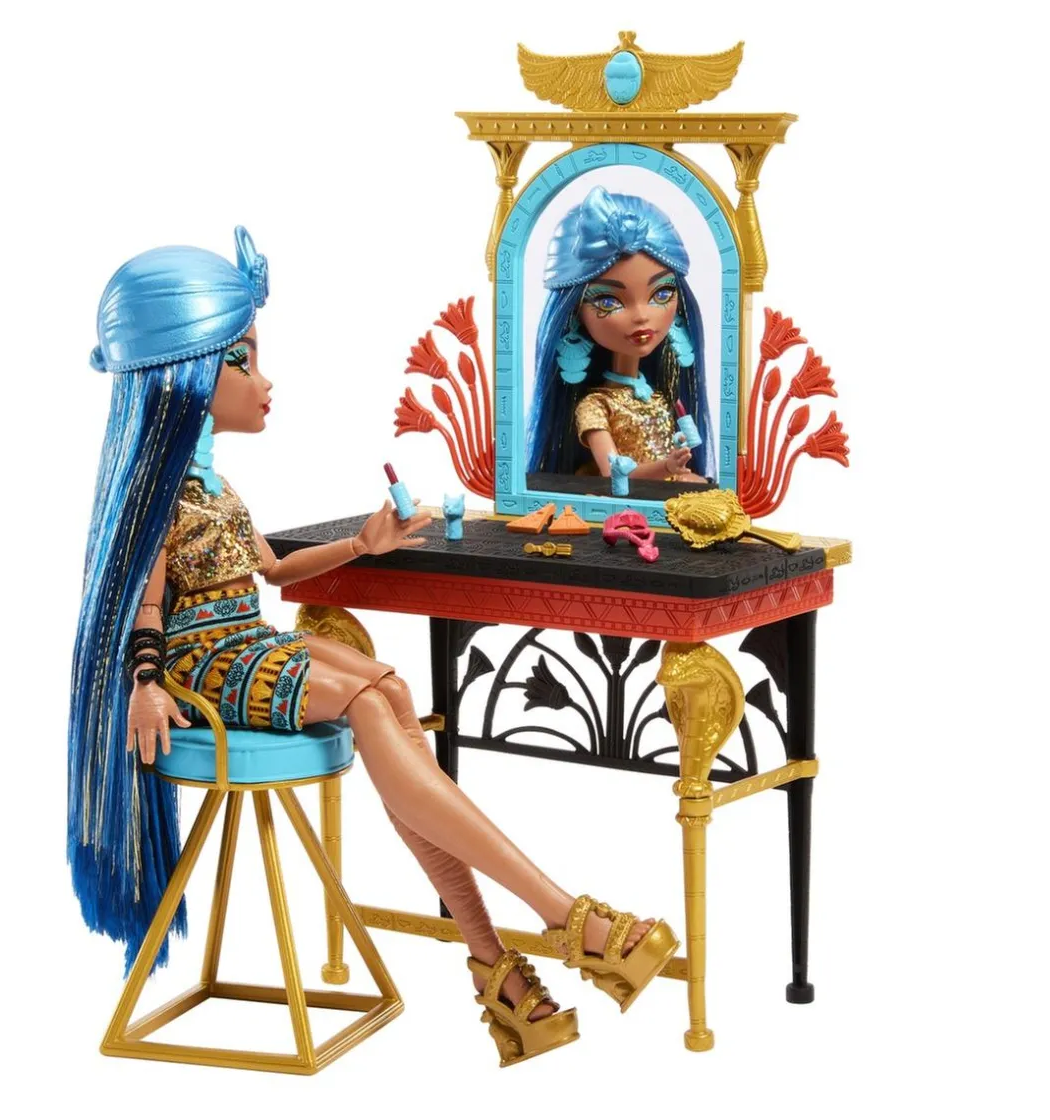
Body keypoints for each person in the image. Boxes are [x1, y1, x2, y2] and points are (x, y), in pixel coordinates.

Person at [68, 227, 679, 1066]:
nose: (263, 381)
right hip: (204, 665)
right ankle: (568, 918)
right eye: (242, 360)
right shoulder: (155, 493)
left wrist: (363, 544)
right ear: (188, 374)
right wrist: (143, 686)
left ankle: (496, 972)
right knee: (365, 700)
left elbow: (273, 570)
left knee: (389, 689)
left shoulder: (211, 482)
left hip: (247, 640)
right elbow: (141, 607)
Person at [526, 185, 716, 483]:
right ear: (575, 312)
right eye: (608, 301)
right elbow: (615, 475)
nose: (641, 316)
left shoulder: (659, 397)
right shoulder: (595, 406)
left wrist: (680, 466)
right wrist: (668, 468)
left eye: (661, 294)